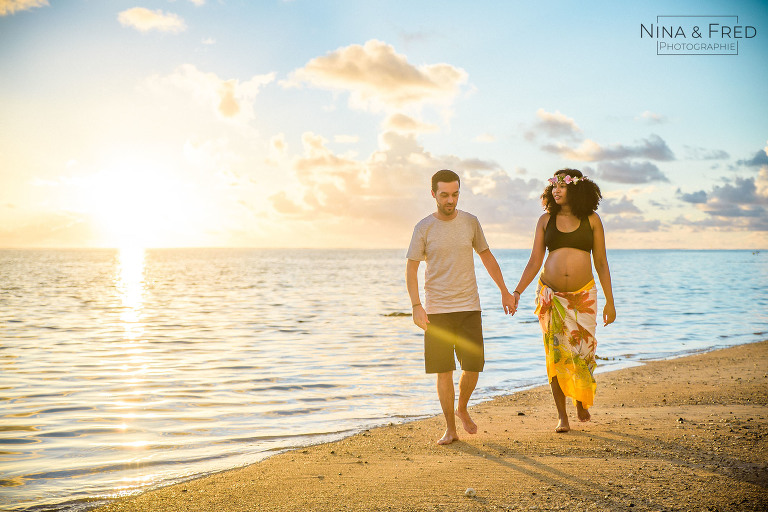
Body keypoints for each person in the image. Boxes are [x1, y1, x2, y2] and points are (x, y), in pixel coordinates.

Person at [406, 169, 516, 445]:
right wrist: (416, 305)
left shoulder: (470, 222)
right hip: (437, 311)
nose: (450, 200)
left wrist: (504, 290)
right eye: (444, 195)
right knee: (444, 370)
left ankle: (462, 406)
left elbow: (486, 256)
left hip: (469, 306)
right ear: (433, 194)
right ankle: (451, 429)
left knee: (474, 365)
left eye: (455, 194)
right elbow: (411, 268)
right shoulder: (424, 228)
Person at [510, 168, 616, 433]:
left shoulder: (591, 219)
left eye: (563, 186)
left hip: (584, 296)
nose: (556, 190)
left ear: (576, 189)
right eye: (554, 186)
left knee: (583, 352)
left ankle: (581, 400)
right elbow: (535, 260)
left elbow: (601, 262)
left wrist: (610, 301)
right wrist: (517, 291)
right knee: (555, 356)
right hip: (551, 296)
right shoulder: (545, 220)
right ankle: (562, 416)